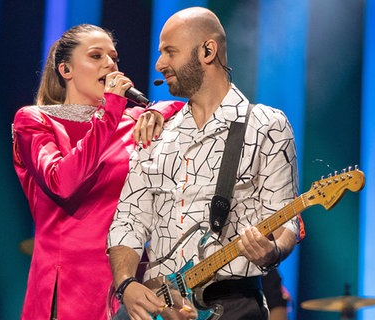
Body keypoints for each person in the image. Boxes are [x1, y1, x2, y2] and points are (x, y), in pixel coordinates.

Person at [107, 7, 301, 320]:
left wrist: (273, 251)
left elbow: (284, 220)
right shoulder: (157, 132)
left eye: (170, 52)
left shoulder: (266, 125)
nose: (159, 64)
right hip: (161, 306)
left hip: (234, 304)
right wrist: (126, 284)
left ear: (207, 50)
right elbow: (128, 221)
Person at [12, 24, 183, 320]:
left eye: (113, 57)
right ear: (66, 70)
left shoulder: (130, 121)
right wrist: (111, 110)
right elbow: (62, 183)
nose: (109, 64)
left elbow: (184, 107)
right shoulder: (35, 121)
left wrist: (156, 111)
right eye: (96, 56)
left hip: (126, 282)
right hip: (65, 290)